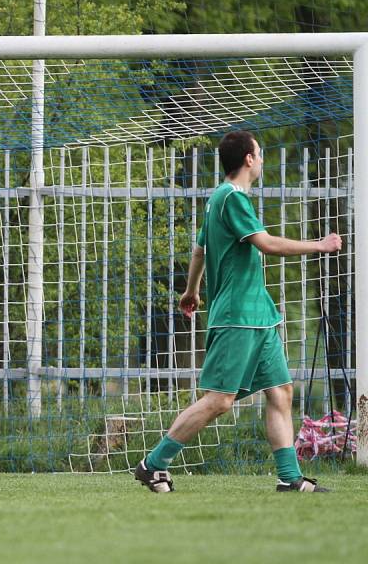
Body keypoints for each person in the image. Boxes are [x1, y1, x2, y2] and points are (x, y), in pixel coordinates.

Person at [135, 130, 342, 493]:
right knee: (219, 401)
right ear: (248, 159)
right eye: (259, 154)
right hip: (237, 316)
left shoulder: (219, 198)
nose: (261, 159)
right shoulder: (231, 198)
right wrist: (319, 245)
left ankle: (290, 478)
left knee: (281, 392)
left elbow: (200, 250)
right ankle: (152, 464)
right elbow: (267, 244)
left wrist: (192, 290)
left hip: (259, 315)